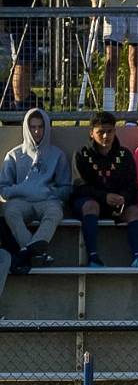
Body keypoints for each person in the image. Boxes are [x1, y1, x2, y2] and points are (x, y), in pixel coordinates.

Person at [71, 111, 138, 268]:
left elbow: (132, 185)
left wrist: (123, 199)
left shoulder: (125, 155)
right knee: (90, 205)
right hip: (90, 202)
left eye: (110, 131)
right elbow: (80, 186)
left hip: (117, 204)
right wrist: (104, 197)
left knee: (134, 211)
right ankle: (93, 258)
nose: (106, 136)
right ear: (91, 133)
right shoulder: (81, 154)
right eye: (101, 132)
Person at [0, 108, 71, 269]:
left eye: (41, 127)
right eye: (33, 127)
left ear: (47, 128)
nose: (37, 131)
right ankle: (36, 252)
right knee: (10, 211)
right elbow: (3, 189)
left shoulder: (57, 155)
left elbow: (66, 189)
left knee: (55, 212)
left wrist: (48, 192)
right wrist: (24, 189)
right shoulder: (14, 155)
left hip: (47, 200)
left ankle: (27, 252)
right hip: (21, 202)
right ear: (26, 128)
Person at [1, 0, 42, 111]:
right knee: (20, 63)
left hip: (32, 10)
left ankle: (23, 104)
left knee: (26, 63)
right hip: (15, 13)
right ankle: (20, 108)